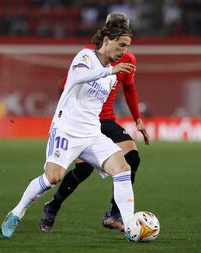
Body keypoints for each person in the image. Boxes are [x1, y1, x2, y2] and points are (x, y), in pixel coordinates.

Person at [1, 17, 136, 239]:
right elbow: (77, 77)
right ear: (107, 39)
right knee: (53, 178)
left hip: (92, 133)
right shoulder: (86, 57)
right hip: (66, 130)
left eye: (128, 46)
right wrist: (109, 72)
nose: (125, 51)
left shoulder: (111, 77)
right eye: (122, 45)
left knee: (123, 168)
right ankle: (17, 211)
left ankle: (131, 225)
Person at [39, 12, 150, 234]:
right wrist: (66, 118)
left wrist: (137, 118)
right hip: (82, 121)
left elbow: (129, 87)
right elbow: (67, 85)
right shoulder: (91, 54)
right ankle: (53, 206)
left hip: (106, 119)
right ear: (107, 31)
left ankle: (114, 214)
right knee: (83, 170)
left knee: (132, 156)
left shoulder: (127, 58)